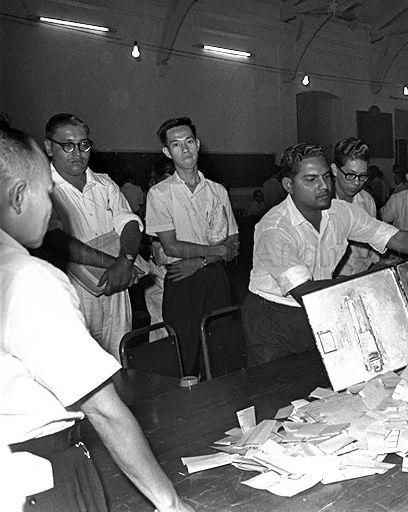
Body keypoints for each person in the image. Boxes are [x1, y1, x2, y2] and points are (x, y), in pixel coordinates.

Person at [0, 125, 193, 512]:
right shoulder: (28, 278)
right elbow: (104, 410)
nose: (54, 207)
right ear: (19, 196)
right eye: (48, 194)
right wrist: (170, 503)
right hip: (40, 470)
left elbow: (128, 225)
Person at [243, 143, 408, 366]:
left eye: (326, 177)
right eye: (311, 180)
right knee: (277, 391)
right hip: (274, 318)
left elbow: (397, 238)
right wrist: (372, 281)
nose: (324, 186)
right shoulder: (275, 229)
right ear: (288, 185)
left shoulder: (341, 212)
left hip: (320, 306)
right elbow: (305, 292)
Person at [41, 113, 142, 361]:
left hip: (116, 287)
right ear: (48, 147)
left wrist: (126, 259)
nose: (77, 153)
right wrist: (117, 264)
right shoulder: (43, 187)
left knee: (120, 359)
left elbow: (128, 223)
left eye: (84, 145)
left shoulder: (105, 184)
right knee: (79, 366)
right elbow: (57, 241)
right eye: (67, 145)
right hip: (74, 291)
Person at [145, 117, 239, 376]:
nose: (185, 149)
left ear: (197, 144)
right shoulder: (160, 193)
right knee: (185, 354)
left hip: (213, 276)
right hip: (182, 279)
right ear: (167, 152)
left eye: (189, 142)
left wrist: (202, 260)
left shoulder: (217, 190)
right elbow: (171, 246)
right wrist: (216, 251)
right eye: (176, 145)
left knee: (220, 348)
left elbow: (232, 244)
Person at [330, 137, 380, 276]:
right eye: (351, 175)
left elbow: (373, 246)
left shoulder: (367, 200)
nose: (357, 182)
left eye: (362, 176)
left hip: (362, 275)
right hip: (332, 282)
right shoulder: (322, 205)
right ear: (334, 169)